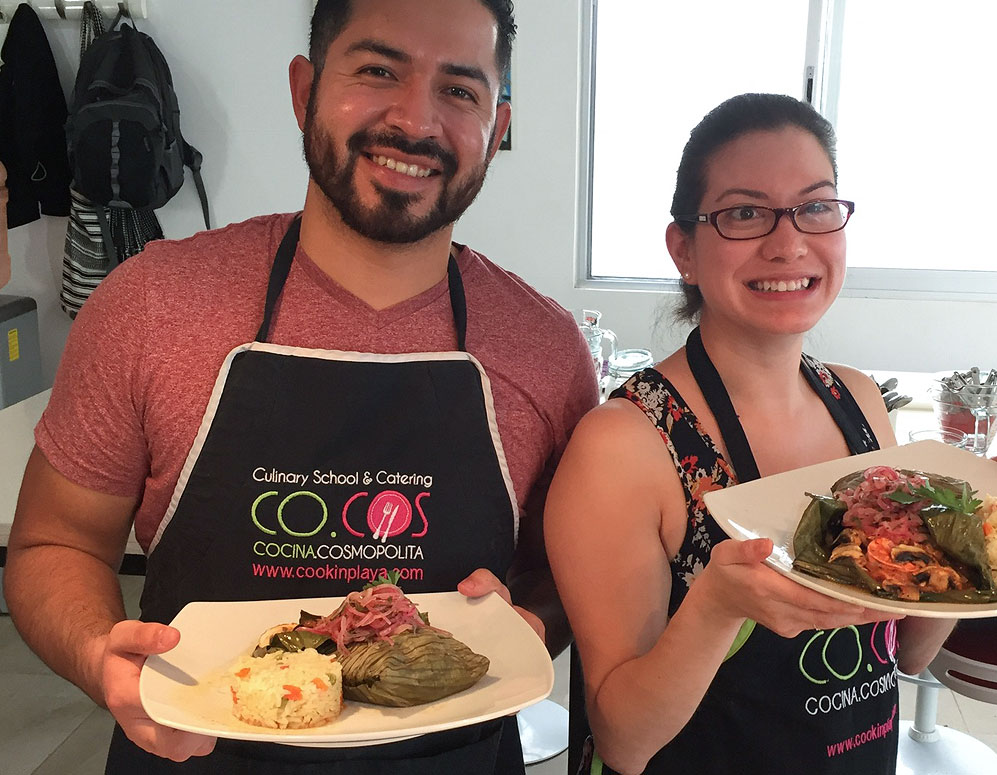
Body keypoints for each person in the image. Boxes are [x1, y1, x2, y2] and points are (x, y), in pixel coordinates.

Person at [4, 0, 597, 772]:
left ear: (497, 123)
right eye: (378, 69)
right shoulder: (151, 305)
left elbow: (563, 579)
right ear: (303, 91)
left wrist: (532, 622)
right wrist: (97, 656)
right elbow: (56, 541)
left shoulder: (547, 351)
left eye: (459, 90)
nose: (415, 120)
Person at [545, 93, 997, 774]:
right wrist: (716, 607)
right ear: (683, 248)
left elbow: (909, 652)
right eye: (745, 213)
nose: (789, 241)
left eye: (816, 206)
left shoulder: (859, 403)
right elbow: (623, 741)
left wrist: (979, 534)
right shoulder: (625, 446)